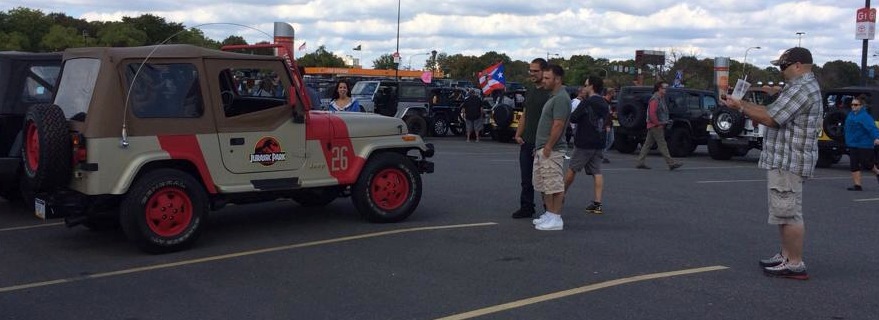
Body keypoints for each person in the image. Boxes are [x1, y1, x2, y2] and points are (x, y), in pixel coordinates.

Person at [721, 47, 823, 280]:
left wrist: (740, 106)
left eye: (782, 66)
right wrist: (744, 104)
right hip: (784, 159)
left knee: (789, 212)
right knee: (783, 210)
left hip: (789, 160)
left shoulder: (801, 89)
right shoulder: (799, 87)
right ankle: (786, 255)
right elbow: (771, 111)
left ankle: (795, 263)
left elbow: (770, 118)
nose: (781, 71)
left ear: (797, 65)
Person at [530, 64, 572, 231]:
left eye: (548, 78)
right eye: (544, 77)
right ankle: (549, 214)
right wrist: (540, 147)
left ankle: (556, 217)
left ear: (558, 79)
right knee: (545, 184)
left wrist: (548, 146)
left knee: (554, 185)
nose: (544, 80)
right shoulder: (553, 97)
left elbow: (558, 125)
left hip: (552, 150)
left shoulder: (561, 98)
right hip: (543, 148)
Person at [562, 76, 609, 215]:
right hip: (599, 140)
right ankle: (597, 203)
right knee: (597, 171)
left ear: (592, 86)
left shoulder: (586, 103)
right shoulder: (604, 103)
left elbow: (574, 117)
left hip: (584, 141)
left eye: (586, 85)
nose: (584, 87)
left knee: (572, 169)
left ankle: (561, 195)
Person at [511, 58, 551, 219]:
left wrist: (547, 143)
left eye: (535, 71)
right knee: (526, 179)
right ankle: (527, 207)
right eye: (530, 70)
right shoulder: (531, 90)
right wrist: (518, 133)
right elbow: (525, 114)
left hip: (542, 142)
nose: (532, 74)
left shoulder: (550, 93)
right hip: (527, 141)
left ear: (544, 71)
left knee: (544, 179)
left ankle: (550, 210)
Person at [635, 81, 683, 170]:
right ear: (659, 89)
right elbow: (652, 113)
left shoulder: (661, 98)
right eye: (664, 88)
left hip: (655, 124)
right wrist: (658, 123)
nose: (666, 90)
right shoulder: (655, 99)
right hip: (656, 125)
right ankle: (671, 163)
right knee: (662, 144)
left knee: (647, 144)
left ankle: (640, 162)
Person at [843, 94, 879, 191]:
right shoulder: (850, 115)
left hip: (864, 144)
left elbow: (872, 128)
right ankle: (857, 185)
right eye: (852, 105)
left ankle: (877, 172)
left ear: (861, 106)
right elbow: (847, 128)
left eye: (856, 105)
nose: (853, 107)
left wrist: (876, 138)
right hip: (852, 144)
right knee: (853, 164)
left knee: (867, 164)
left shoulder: (865, 117)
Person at [603, 87, 617, 163]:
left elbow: (609, 113)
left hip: (610, 123)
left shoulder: (609, 102)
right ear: (610, 94)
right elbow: (605, 115)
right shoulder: (604, 102)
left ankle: (602, 154)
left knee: (611, 140)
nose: (614, 94)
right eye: (613, 93)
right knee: (606, 140)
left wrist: (613, 114)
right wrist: (607, 125)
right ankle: (602, 156)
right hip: (606, 124)